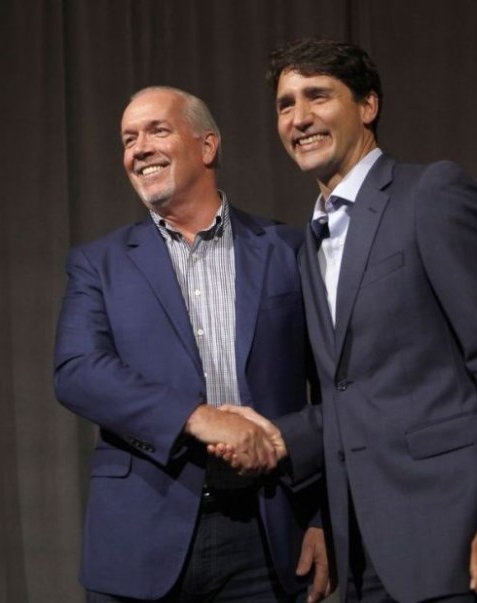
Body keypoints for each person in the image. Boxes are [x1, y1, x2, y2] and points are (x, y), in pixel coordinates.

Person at [212, 38, 477, 603]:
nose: (299, 119)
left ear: (367, 105)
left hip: (459, 540)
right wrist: (273, 442)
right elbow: (349, 398)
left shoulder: (431, 194)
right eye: (285, 104)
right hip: (362, 555)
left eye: (317, 96)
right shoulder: (307, 245)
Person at [53, 85, 329, 602]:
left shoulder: (288, 249)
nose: (139, 148)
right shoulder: (101, 263)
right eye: (128, 138)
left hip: (267, 537)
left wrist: (322, 518)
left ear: (207, 147)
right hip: (141, 538)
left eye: (157, 130)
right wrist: (196, 416)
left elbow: (333, 389)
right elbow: (78, 371)